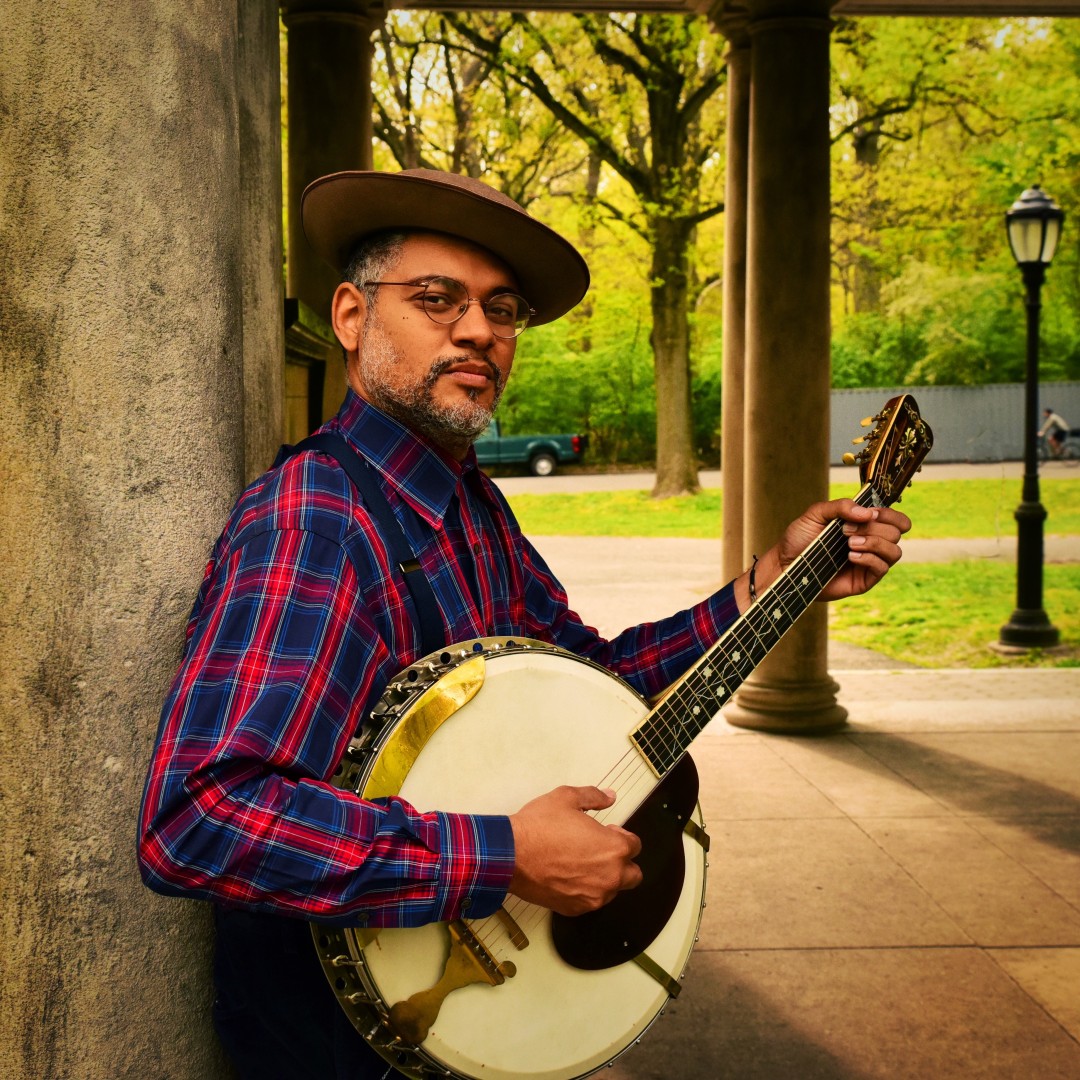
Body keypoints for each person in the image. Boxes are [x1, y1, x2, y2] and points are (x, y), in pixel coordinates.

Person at [138, 168, 911, 1079]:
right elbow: (200, 818)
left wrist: (770, 584)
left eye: (501, 311)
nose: (478, 330)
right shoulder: (319, 522)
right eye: (437, 299)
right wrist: (500, 858)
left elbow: (597, 683)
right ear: (351, 317)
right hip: (339, 1050)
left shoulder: (466, 502)